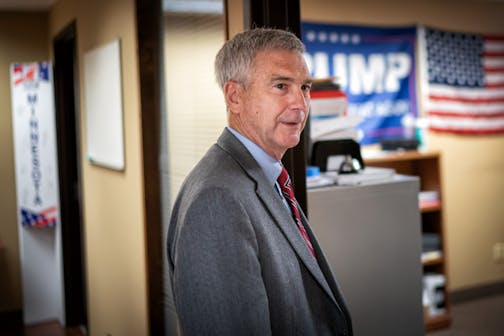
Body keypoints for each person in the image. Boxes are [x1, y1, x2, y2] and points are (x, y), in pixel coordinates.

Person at [167, 27, 353, 336]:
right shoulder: (217, 200)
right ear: (235, 96)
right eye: (281, 85)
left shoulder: (266, 177)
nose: (300, 103)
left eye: (304, 87)